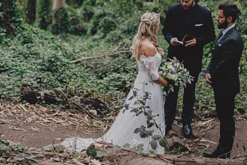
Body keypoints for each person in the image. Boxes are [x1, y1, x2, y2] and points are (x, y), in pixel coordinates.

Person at [62, 12, 170, 153]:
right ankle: (143, 145)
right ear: (154, 27)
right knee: (144, 114)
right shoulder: (148, 46)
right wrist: (167, 83)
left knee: (139, 115)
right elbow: (153, 75)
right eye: (158, 25)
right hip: (148, 87)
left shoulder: (143, 42)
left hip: (142, 84)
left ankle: (144, 144)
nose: (159, 27)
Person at [163, 0, 215, 138]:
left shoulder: (205, 13)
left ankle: (186, 124)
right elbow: (166, 30)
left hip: (193, 59)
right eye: (181, 1)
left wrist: (197, 41)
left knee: (189, 92)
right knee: (172, 91)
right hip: (175, 57)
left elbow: (210, 35)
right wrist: (170, 39)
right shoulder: (173, 10)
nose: (183, 4)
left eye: (186, 1)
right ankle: (167, 122)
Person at [203, 3, 244, 159]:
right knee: (223, 117)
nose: (217, 18)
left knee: (227, 120)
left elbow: (224, 64)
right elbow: (215, 58)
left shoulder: (233, 39)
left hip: (227, 86)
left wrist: (212, 77)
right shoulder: (223, 33)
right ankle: (221, 150)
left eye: (220, 17)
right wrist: (208, 71)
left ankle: (225, 153)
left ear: (229, 18)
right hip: (220, 84)